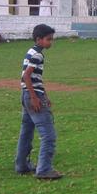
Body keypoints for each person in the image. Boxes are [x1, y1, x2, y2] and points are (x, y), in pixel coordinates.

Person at [15, 24, 63, 179]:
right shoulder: (38, 55)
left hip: (27, 94)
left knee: (27, 131)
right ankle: (44, 170)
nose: (51, 42)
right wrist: (35, 97)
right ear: (38, 39)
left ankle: (22, 165)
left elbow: (35, 78)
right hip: (32, 96)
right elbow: (26, 76)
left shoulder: (32, 51)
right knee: (48, 135)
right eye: (48, 39)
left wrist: (44, 95)